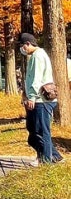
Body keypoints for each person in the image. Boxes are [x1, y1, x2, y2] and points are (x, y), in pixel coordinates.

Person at [19, 33, 63, 164]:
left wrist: (31, 97)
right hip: (38, 99)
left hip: (40, 100)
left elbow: (36, 78)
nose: (22, 49)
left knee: (41, 131)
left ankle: (46, 160)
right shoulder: (37, 55)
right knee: (33, 131)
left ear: (28, 44)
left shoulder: (37, 56)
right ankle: (53, 156)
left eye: (22, 46)